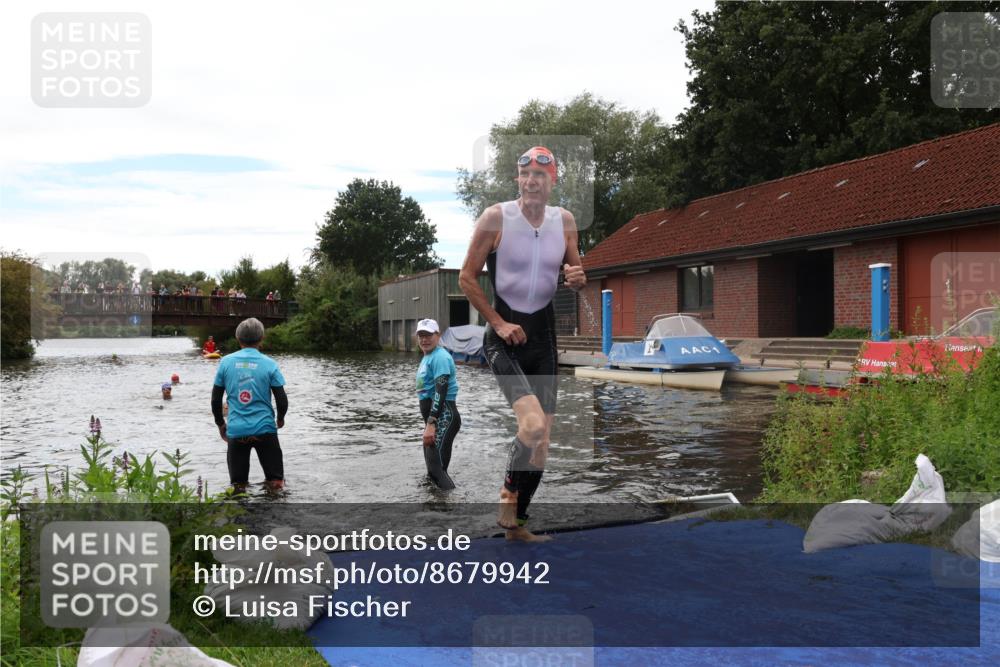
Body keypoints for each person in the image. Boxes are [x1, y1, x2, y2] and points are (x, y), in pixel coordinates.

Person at [459, 145, 586, 542]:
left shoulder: (564, 222)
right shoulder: (496, 218)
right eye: (526, 174)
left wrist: (578, 276)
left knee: (543, 444)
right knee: (530, 427)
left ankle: (519, 527)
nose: (532, 181)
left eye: (541, 175)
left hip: (543, 336)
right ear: (518, 179)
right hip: (504, 337)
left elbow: (574, 269)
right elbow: (466, 277)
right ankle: (507, 494)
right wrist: (497, 323)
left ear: (554, 180)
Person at [211, 317, 288, 493]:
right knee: (276, 483)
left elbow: (216, 399)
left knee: (238, 486)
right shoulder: (269, 364)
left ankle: (240, 517)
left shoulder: (226, 362)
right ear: (261, 339)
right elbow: (281, 399)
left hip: (237, 431)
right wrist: (280, 419)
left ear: (238, 338)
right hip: (265, 429)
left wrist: (220, 424)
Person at [414, 318, 460, 490]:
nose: (424, 339)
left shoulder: (440, 357)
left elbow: (441, 391)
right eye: (421, 336)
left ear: (438, 335)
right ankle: (434, 508)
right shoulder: (428, 357)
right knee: (432, 473)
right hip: (435, 421)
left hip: (444, 419)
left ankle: (452, 509)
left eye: (428, 335)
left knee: (436, 471)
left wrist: (432, 423)